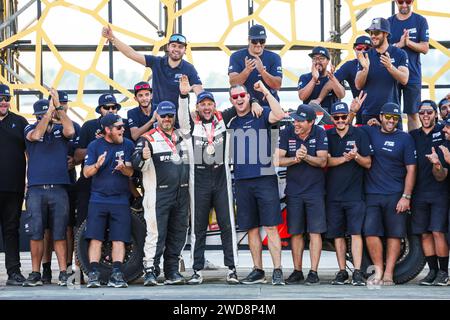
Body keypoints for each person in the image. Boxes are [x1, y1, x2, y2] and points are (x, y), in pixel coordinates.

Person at [177, 76, 261, 285]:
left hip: (222, 180)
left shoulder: (223, 119)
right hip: (199, 182)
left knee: (227, 225)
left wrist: (257, 101)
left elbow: (241, 103)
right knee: (198, 228)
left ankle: (232, 269)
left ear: (215, 106)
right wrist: (183, 95)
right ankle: (197, 270)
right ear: (197, 107)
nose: (206, 107)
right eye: (203, 104)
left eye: (210, 104)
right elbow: (181, 113)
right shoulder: (190, 125)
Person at [227, 81, 285, 285]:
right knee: (251, 228)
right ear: (231, 100)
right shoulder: (230, 120)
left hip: (265, 178)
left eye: (242, 95)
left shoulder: (260, 113)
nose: (239, 99)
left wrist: (264, 93)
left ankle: (277, 270)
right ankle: (258, 270)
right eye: (235, 97)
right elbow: (202, 115)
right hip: (242, 180)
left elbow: (279, 115)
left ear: (247, 95)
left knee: (270, 227)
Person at [132, 101, 190, 285]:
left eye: (170, 116)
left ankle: (172, 270)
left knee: (179, 232)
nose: (167, 119)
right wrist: (142, 156)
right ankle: (150, 270)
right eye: (163, 115)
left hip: (181, 194)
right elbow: (136, 164)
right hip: (158, 194)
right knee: (156, 234)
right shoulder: (147, 138)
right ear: (156, 116)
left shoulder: (181, 137)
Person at [22, 89, 75, 287]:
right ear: (37, 116)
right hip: (36, 189)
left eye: (47, 113)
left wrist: (58, 108)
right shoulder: (29, 128)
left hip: (59, 188)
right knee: (36, 233)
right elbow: (36, 135)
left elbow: (71, 131)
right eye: (41, 115)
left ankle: (63, 272)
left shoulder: (62, 129)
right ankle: (36, 273)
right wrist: (47, 113)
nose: (45, 117)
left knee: (59, 232)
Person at [361, 102, 416, 286]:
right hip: (372, 194)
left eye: (395, 118)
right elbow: (348, 129)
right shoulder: (371, 132)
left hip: (395, 195)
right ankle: (378, 270)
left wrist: (406, 196)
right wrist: (354, 112)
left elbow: (411, 169)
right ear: (381, 117)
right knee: (370, 232)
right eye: (388, 117)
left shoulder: (405, 138)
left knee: (395, 234)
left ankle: (389, 274)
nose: (391, 121)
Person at [274, 104, 328, 285]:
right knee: (295, 232)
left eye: (300, 121)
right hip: (294, 191)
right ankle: (297, 271)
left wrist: (306, 157)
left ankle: (313, 272)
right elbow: (278, 159)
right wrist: (295, 159)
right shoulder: (287, 131)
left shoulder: (319, 133)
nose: (296, 123)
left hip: (315, 191)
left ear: (311, 122)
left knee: (314, 232)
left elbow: (322, 160)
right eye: (295, 119)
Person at [101, 25, 203, 115]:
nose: (176, 49)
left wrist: (200, 111)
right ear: (168, 47)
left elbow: (200, 93)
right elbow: (131, 54)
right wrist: (112, 38)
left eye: (180, 47)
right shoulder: (157, 62)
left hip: (180, 119)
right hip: (158, 117)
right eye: (173, 46)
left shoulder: (189, 68)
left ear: (185, 50)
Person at [83, 113, 134, 288]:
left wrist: (124, 169)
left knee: (119, 239)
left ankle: (117, 274)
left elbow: (132, 172)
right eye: (119, 127)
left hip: (120, 199)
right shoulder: (94, 146)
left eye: (123, 127)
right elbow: (85, 172)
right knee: (95, 238)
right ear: (108, 130)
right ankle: (94, 274)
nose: (123, 130)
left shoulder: (127, 144)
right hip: (98, 199)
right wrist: (97, 165)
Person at [325, 101, 372, 286]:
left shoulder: (360, 134)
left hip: (355, 195)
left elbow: (368, 163)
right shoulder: (327, 135)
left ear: (348, 117)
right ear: (332, 119)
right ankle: (342, 271)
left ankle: (358, 272)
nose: (340, 120)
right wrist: (345, 158)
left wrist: (356, 157)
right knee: (337, 235)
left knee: (355, 233)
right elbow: (326, 161)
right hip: (333, 194)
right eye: (336, 118)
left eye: (343, 117)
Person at [41, 90, 81, 284]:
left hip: (68, 182)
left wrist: (75, 160)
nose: (61, 105)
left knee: (67, 227)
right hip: (46, 184)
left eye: (64, 102)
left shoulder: (75, 127)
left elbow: (82, 153)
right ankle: (46, 268)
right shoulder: (43, 126)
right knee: (47, 228)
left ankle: (68, 269)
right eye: (57, 102)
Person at [410, 100, 449, 286]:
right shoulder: (412, 135)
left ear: (435, 114)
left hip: (440, 192)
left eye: (429, 112)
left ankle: (443, 272)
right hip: (418, 193)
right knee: (424, 233)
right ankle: (432, 271)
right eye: (422, 112)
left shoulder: (443, 133)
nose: (425, 115)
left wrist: (437, 163)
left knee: (437, 232)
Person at [355, 18, 409, 127]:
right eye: (371, 33)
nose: (373, 36)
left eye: (376, 32)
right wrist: (365, 69)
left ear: (386, 34)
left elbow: (404, 79)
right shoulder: (366, 55)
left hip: (392, 113)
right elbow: (358, 85)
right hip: (369, 113)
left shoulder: (399, 54)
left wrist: (390, 66)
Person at [0, 84, 28, 285]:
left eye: (6, 98)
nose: (4, 101)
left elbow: (31, 153)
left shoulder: (20, 122)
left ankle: (14, 273)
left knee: (11, 230)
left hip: (14, 187)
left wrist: (29, 181)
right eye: (0, 98)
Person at [389, 0, 429, 131]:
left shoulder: (420, 21)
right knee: (392, 113)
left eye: (408, 1)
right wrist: (399, 45)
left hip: (413, 75)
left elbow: (425, 48)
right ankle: (397, 146)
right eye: (401, 1)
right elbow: (383, 50)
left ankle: (413, 147)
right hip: (393, 74)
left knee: (413, 113)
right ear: (396, 2)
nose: (405, 4)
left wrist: (408, 42)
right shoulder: (389, 23)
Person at [312, 36, 372, 124]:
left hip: (382, 111)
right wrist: (319, 99)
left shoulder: (381, 63)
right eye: (359, 48)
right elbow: (331, 82)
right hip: (360, 111)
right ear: (354, 49)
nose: (363, 51)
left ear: (373, 49)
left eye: (367, 48)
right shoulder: (349, 66)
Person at [228, 24, 282, 106]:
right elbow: (233, 84)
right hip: (245, 107)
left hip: (269, 106)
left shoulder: (274, 57)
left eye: (262, 41)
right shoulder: (236, 56)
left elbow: (277, 85)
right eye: (255, 41)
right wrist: (247, 70)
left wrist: (262, 71)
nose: (258, 44)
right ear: (249, 40)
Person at [298, 46, 344, 113]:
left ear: (328, 61)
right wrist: (314, 79)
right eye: (314, 59)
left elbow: (341, 95)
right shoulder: (305, 77)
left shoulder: (334, 77)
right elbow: (302, 97)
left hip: (331, 118)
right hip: (310, 119)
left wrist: (333, 79)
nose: (317, 61)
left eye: (321, 59)